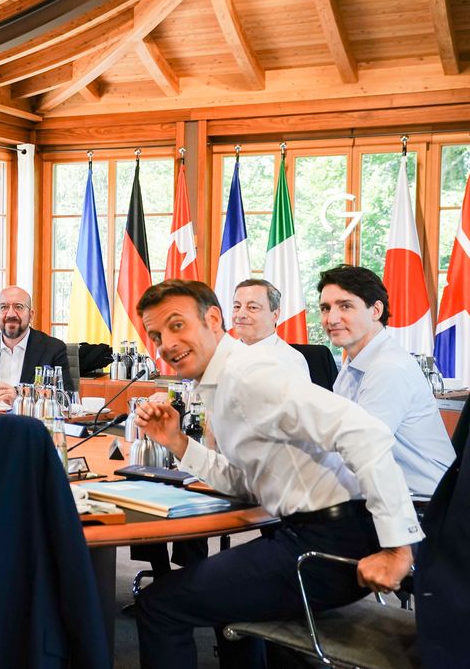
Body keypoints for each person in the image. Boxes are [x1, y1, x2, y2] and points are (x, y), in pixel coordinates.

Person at [130, 279, 422, 669]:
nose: (165, 343)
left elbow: (365, 433)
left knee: (159, 604)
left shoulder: (250, 374)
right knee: (218, 597)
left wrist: (397, 549)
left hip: (329, 545)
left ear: (213, 319)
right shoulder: (221, 379)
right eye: (156, 335)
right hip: (310, 532)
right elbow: (246, 483)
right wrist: (178, 443)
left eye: (176, 325)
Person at [318, 265, 453, 496]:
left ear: (375, 310)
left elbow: (360, 450)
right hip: (383, 498)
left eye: (345, 306)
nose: (331, 318)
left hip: (422, 507)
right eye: (325, 308)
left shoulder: (388, 367)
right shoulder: (354, 364)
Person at [230, 278, 308, 379]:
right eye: (237, 306)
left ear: (275, 315)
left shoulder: (292, 361)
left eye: (252, 307)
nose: (240, 315)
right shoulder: (221, 355)